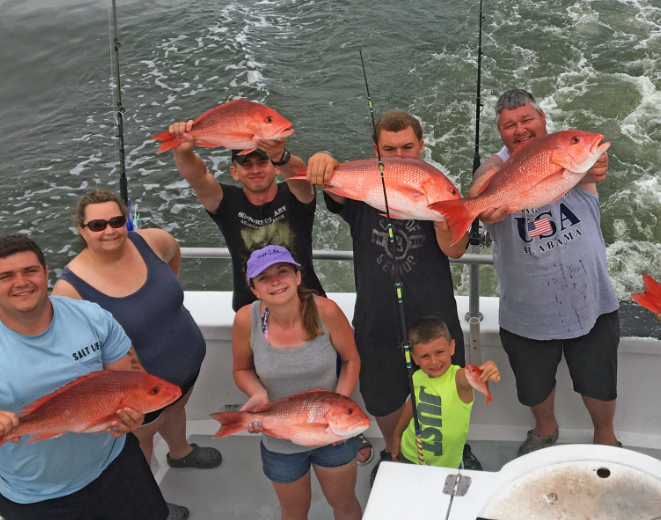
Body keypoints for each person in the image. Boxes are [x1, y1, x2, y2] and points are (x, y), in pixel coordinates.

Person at [306, 110, 476, 483]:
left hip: (434, 318)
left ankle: (453, 449)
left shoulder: (437, 184)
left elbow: (456, 250)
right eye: (389, 148)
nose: (399, 154)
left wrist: (445, 221)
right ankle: (394, 449)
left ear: (421, 145)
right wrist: (323, 162)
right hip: (377, 317)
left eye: (407, 147)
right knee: (381, 397)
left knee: (446, 391)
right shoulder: (360, 191)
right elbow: (331, 182)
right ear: (376, 151)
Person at [52, 189, 220, 520]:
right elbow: (76, 354)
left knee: (177, 410)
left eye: (116, 221)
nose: (109, 230)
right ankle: (151, 501)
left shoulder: (152, 241)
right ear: (82, 230)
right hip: (138, 392)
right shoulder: (69, 289)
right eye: (97, 224)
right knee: (141, 442)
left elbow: (173, 257)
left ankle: (180, 451)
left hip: (186, 366)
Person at [470, 89, 620, 456]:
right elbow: (483, 177)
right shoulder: (493, 172)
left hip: (591, 301)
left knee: (599, 382)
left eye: (527, 120)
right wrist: (479, 199)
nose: (520, 130)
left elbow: (593, 163)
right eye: (509, 125)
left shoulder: (572, 157)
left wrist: (596, 163)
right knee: (534, 387)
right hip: (527, 311)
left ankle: (605, 435)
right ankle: (545, 428)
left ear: (543, 120)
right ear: (500, 131)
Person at [0, 235, 168, 520]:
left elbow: (133, 378)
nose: (21, 282)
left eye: (29, 271)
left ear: (45, 273)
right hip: (36, 495)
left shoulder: (92, 317)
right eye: (6, 276)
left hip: (115, 465)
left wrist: (135, 414)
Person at [232, 245, 362, 520]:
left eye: (282, 271)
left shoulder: (326, 311)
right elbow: (242, 369)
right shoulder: (246, 319)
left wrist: (339, 405)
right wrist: (256, 393)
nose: (276, 281)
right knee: (294, 512)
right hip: (279, 441)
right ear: (254, 289)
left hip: (334, 437)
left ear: (298, 277)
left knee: (345, 505)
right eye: (264, 278)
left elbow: (351, 361)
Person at [166, 121, 325, 312]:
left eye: (262, 162)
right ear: (235, 172)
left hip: (306, 302)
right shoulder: (225, 203)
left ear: (275, 167)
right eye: (246, 165)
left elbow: (300, 174)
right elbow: (197, 177)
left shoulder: (295, 194)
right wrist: (182, 151)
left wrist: (280, 156)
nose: (256, 170)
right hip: (252, 308)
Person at [391, 316, 500, 468]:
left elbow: (472, 374)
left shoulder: (459, 380)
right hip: (410, 454)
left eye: (439, 352)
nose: (434, 362)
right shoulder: (417, 376)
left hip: (447, 465)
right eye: (424, 356)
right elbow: (413, 406)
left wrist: (489, 366)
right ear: (414, 358)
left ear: (452, 347)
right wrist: (397, 435)